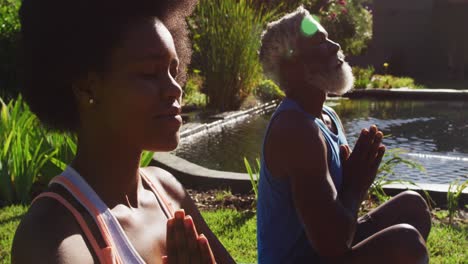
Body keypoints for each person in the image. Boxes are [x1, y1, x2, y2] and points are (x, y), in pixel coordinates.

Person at [11, 0, 236, 263]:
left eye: (173, 71)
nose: (175, 89)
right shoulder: (51, 235)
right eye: (150, 73)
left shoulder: (167, 191)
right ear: (88, 88)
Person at [257, 6, 432, 264]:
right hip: (305, 257)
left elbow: (334, 225)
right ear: (293, 65)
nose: (335, 45)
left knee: (413, 207)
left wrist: (350, 186)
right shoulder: (296, 129)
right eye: (319, 42)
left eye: (328, 37)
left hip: (320, 251)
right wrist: (355, 186)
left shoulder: (326, 116)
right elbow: (332, 244)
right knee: (406, 244)